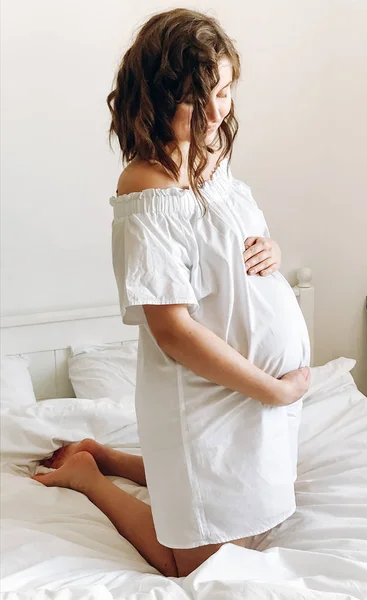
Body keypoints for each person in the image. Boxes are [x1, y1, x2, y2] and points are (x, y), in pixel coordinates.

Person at [32, 8, 311, 578]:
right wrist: (273, 392)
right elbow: (174, 331)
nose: (215, 113)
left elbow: (235, 247)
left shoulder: (214, 157)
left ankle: (107, 455)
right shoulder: (146, 188)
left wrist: (273, 251)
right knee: (188, 563)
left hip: (252, 394)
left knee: (258, 514)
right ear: (155, 99)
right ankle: (88, 476)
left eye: (225, 92)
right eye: (196, 99)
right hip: (204, 393)